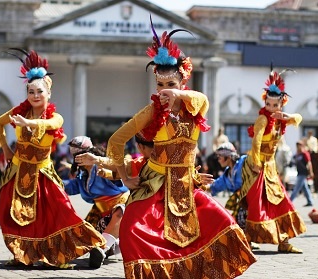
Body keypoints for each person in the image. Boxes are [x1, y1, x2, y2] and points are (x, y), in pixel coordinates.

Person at [100, 17, 257, 278]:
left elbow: (203, 99)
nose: (164, 91)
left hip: (185, 183)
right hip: (155, 182)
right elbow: (117, 139)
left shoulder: (194, 105)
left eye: (171, 85)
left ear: (183, 83)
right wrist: (125, 177)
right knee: (131, 230)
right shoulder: (151, 111)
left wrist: (179, 96)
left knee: (224, 225)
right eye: (160, 85)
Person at [0, 48, 105, 269]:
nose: (35, 96)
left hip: (42, 173)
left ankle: (89, 247)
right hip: (17, 171)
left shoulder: (55, 116)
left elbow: (51, 125)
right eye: (31, 91)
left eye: (39, 92)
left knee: (61, 212)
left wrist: (29, 124)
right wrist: (5, 148)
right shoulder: (19, 111)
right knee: (8, 212)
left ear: (48, 93)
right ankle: (23, 255)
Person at [239, 67, 306, 253]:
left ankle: (283, 241)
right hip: (257, 166)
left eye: (275, 105)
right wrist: (256, 163)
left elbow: (299, 118)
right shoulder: (262, 118)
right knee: (256, 204)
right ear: (265, 102)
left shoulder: (281, 120)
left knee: (281, 201)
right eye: (268, 104)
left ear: (281, 105)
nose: (271, 108)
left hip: (270, 166)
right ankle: (249, 239)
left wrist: (288, 117)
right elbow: (256, 141)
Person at [64, 135, 130, 269]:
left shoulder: (101, 167)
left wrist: (106, 171)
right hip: (100, 212)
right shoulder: (83, 176)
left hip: (122, 205)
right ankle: (114, 245)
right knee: (82, 235)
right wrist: (52, 182)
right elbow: (71, 186)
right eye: (76, 157)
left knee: (119, 212)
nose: (79, 159)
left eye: (82, 155)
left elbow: (117, 171)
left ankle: (103, 249)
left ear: (90, 153)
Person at [204, 142, 260, 250]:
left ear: (228, 157)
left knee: (243, 217)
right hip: (242, 202)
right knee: (236, 220)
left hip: (253, 199)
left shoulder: (243, 162)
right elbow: (215, 185)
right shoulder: (227, 174)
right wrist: (198, 185)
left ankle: (282, 242)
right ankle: (247, 240)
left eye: (220, 157)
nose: (218, 160)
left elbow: (255, 162)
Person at [290, 140, 314, 206]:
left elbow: (309, 163)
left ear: (302, 146)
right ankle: (310, 201)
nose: (298, 147)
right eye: (297, 145)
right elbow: (293, 162)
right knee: (305, 188)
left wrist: (311, 172)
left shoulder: (304, 154)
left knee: (296, 188)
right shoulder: (297, 154)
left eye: (299, 145)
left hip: (303, 173)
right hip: (299, 172)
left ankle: (290, 201)